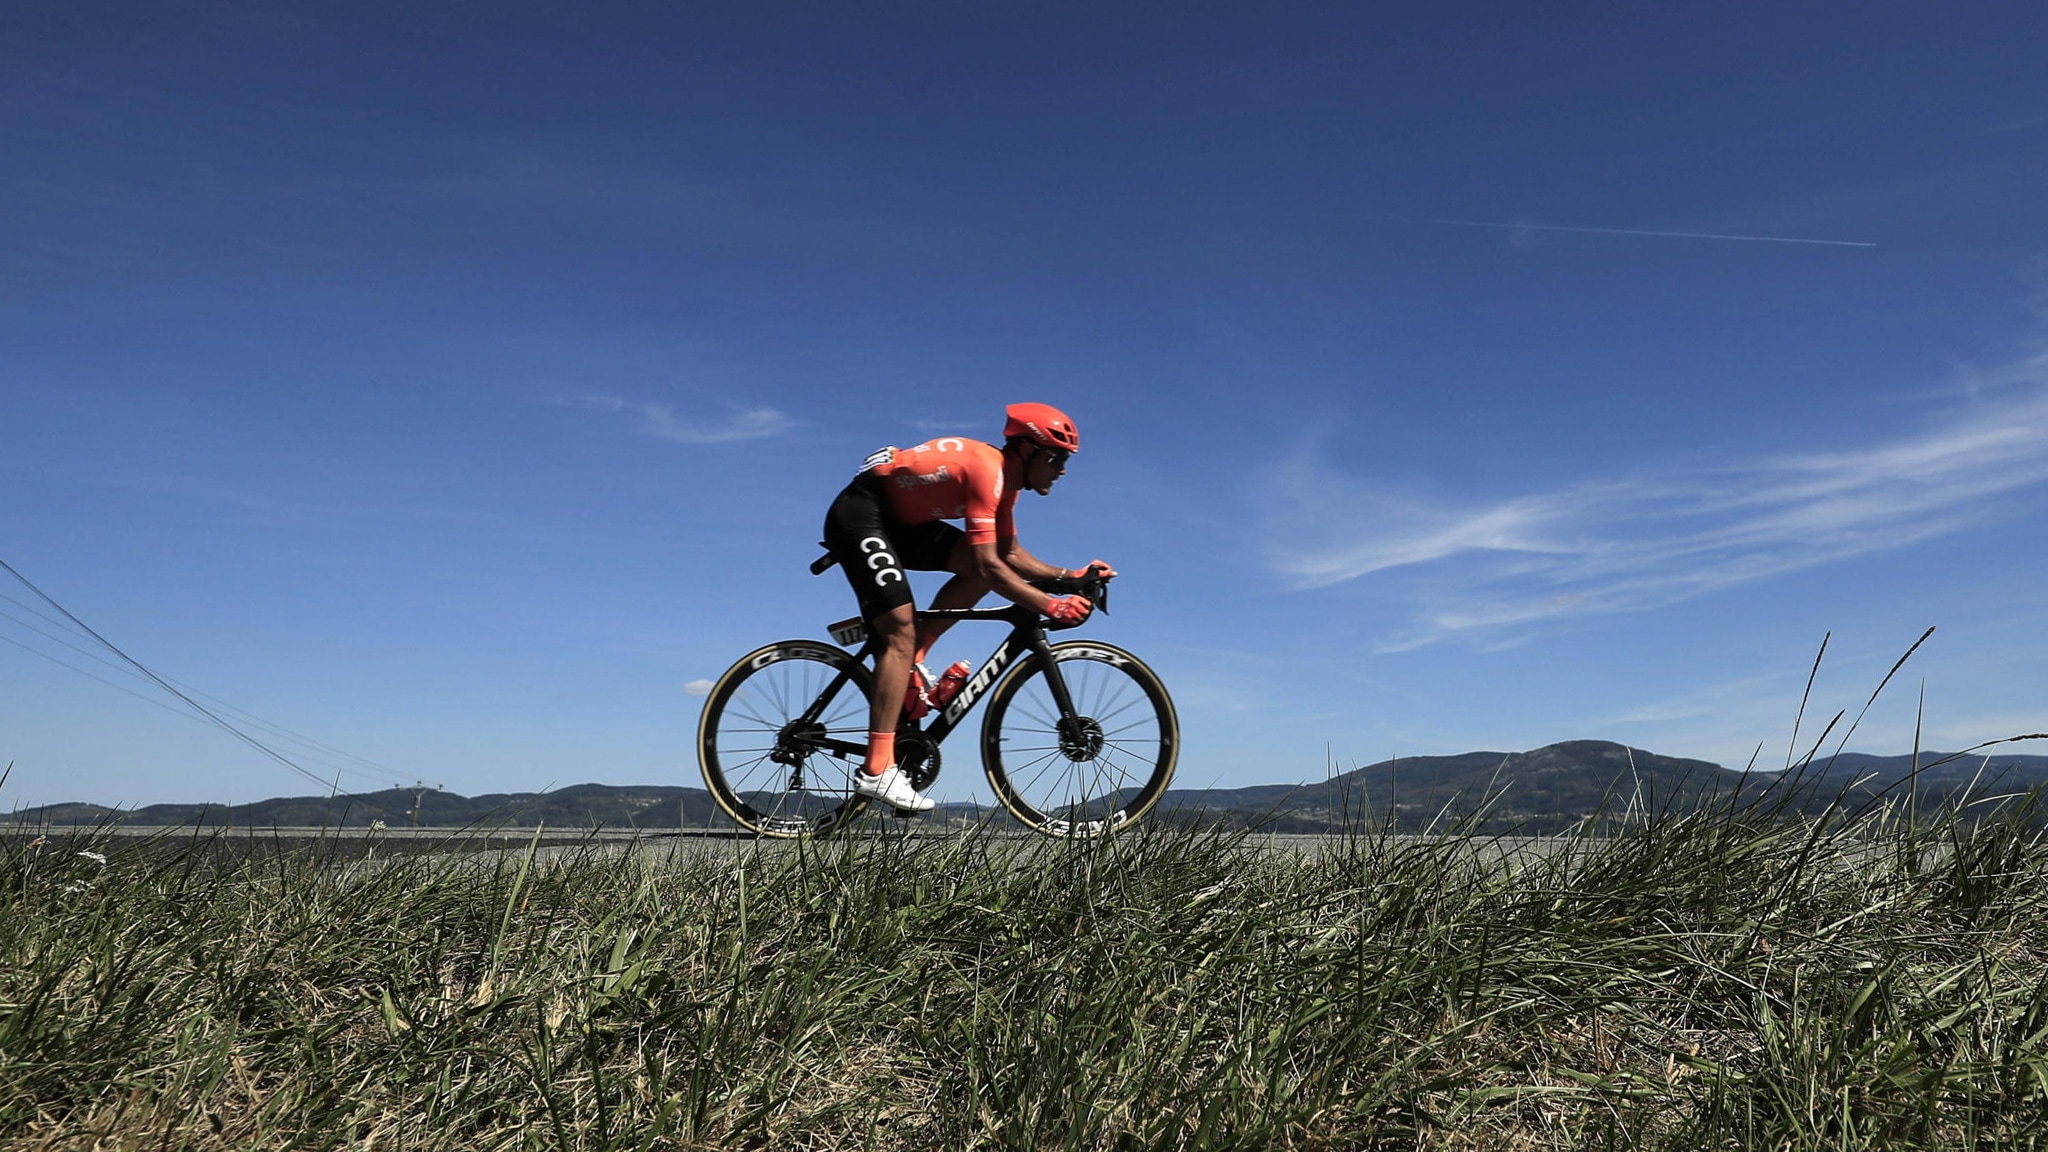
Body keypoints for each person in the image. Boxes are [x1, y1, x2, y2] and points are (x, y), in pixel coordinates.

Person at [820, 402, 1115, 812]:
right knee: (900, 632)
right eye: (1057, 458)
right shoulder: (986, 470)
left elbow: (1008, 554)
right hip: (860, 516)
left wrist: (1071, 577)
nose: (1062, 470)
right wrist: (1051, 604)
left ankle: (913, 658)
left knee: (974, 576)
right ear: (1027, 450)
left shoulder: (1006, 486)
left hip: (900, 525)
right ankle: (877, 770)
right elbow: (991, 566)